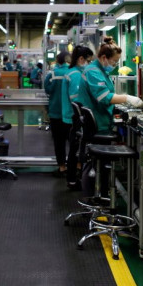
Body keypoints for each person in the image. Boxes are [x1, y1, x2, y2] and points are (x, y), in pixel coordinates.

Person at [77, 37, 143, 135]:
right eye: (114, 61)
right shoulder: (93, 72)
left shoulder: (101, 71)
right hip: (97, 125)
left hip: (102, 120)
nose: (115, 65)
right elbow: (104, 97)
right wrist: (127, 98)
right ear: (104, 58)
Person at [61, 45, 94, 190]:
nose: (90, 63)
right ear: (81, 59)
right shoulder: (75, 75)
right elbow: (77, 100)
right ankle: (73, 180)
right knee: (75, 150)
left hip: (71, 116)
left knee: (74, 148)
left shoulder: (74, 72)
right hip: (74, 117)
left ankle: (73, 178)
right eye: (89, 60)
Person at [44, 51, 71, 176]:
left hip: (55, 112)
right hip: (70, 113)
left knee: (58, 141)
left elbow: (48, 89)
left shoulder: (52, 73)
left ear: (57, 60)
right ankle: (75, 167)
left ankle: (62, 167)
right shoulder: (73, 72)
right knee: (73, 141)